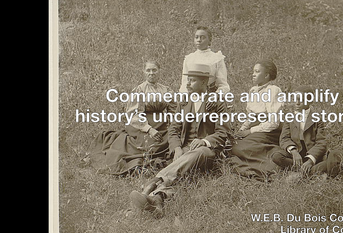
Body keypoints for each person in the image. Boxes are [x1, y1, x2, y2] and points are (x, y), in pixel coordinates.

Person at [129, 62, 230, 218]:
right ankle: (157, 199)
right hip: (184, 149)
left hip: (207, 151)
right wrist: (176, 148)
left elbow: (223, 132)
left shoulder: (217, 102)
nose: (187, 83)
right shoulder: (183, 102)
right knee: (185, 173)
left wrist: (205, 141)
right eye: (187, 80)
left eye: (192, 80)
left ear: (204, 82)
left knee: (199, 152)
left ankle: (154, 181)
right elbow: (174, 129)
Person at [83, 61, 176, 175]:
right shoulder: (139, 90)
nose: (151, 73)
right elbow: (133, 114)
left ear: (159, 71)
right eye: (148, 70)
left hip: (161, 123)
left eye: (154, 70)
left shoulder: (166, 90)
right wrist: (149, 129)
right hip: (141, 123)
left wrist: (173, 125)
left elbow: (173, 111)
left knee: (168, 139)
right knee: (149, 143)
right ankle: (136, 161)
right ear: (144, 72)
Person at [271, 85, 343, 177]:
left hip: (312, 154)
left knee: (335, 156)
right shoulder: (289, 117)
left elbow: (321, 142)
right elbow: (284, 138)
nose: (297, 103)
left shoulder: (317, 118)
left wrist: (310, 160)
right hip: (296, 154)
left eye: (301, 100)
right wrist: (294, 152)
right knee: (276, 156)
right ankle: (309, 172)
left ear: (310, 101)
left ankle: (305, 172)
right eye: (295, 99)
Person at [227, 60, 284, 181]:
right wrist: (241, 130)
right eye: (253, 71)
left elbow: (273, 122)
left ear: (267, 75)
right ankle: (251, 168)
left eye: (257, 72)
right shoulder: (253, 91)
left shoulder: (273, 90)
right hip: (255, 129)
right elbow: (251, 116)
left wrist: (250, 131)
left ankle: (271, 166)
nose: (253, 74)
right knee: (232, 145)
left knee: (239, 148)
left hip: (269, 130)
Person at [178, 26, 230, 94]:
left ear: (209, 40)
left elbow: (223, 84)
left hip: (210, 97)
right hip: (191, 96)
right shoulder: (189, 58)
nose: (199, 40)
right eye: (196, 37)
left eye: (203, 37)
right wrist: (184, 95)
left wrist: (216, 95)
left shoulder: (217, 58)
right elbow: (184, 82)